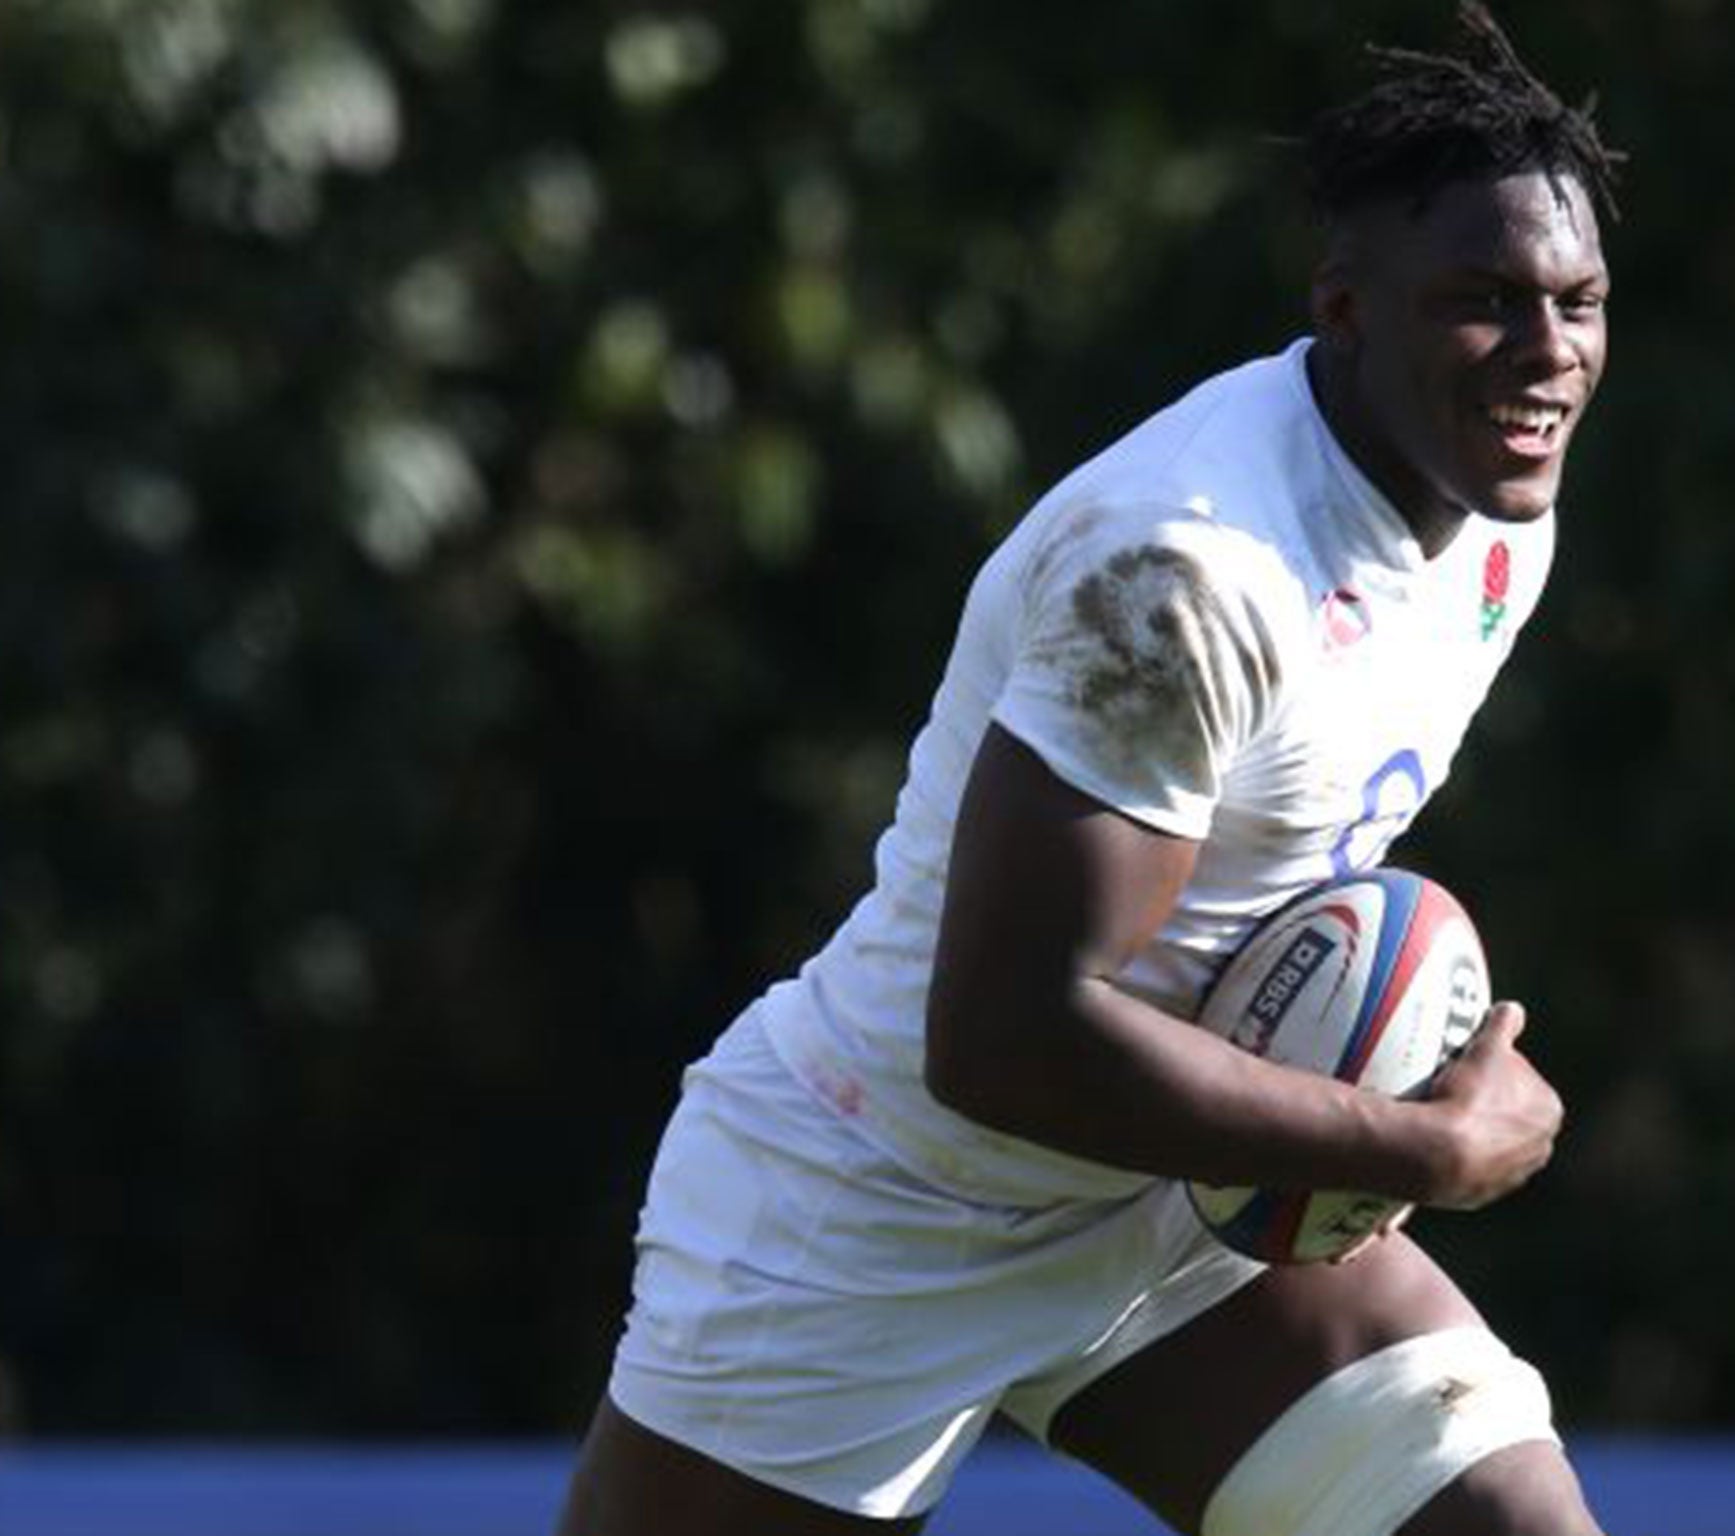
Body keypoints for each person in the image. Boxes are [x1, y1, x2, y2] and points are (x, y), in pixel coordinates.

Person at [557, 5, 1621, 1534]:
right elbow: (998, 1039)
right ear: (1344, 307)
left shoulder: (1502, 497)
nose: (1545, 353)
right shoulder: (1184, 574)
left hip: (1176, 1214)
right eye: (1484, 302)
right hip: (883, 1207)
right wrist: (1424, 1145)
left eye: (1577, 302)